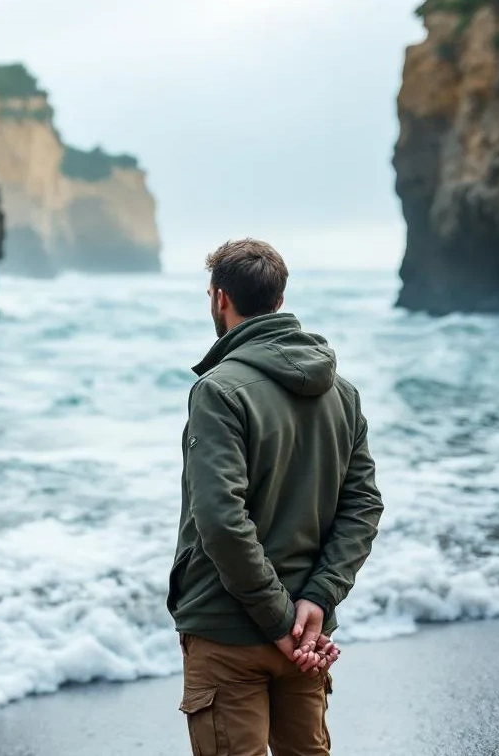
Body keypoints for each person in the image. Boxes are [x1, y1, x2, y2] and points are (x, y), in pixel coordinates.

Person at [167, 238, 384, 756]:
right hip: (307, 634)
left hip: (231, 630)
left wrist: (277, 617)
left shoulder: (219, 390)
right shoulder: (342, 393)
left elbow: (221, 518)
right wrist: (317, 598)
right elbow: (363, 507)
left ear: (220, 298)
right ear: (279, 300)